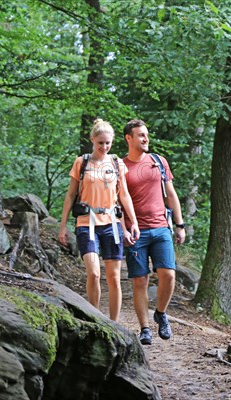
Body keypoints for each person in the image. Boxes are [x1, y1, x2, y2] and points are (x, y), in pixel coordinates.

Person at [59, 119, 140, 322]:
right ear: (92, 140)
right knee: (94, 273)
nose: (104, 147)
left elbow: (124, 195)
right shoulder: (81, 163)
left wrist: (134, 222)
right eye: (100, 143)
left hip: (111, 225)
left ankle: (114, 323)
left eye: (108, 143)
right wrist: (62, 226)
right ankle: (94, 318)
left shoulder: (116, 163)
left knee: (114, 277)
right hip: (87, 223)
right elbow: (70, 195)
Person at [122, 119, 186, 345]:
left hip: (161, 228)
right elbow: (115, 202)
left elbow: (171, 194)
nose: (146, 138)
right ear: (128, 138)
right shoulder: (120, 166)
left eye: (146, 134)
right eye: (140, 135)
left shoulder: (158, 161)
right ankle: (145, 328)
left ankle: (160, 312)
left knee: (168, 275)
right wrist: (123, 228)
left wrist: (180, 225)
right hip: (135, 231)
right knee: (140, 281)